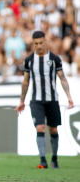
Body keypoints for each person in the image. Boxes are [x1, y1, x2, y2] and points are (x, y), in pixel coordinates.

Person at [15, 31, 74, 169]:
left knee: (53, 129)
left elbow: (62, 78)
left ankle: (54, 159)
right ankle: (43, 160)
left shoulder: (55, 59)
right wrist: (22, 101)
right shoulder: (29, 60)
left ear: (45, 41)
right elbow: (25, 81)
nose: (39, 46)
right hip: (36, 100)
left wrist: (69, 97)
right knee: (40, 127)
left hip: (52, 100)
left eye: (41, 43)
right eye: (36, 44)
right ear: (33, 44)